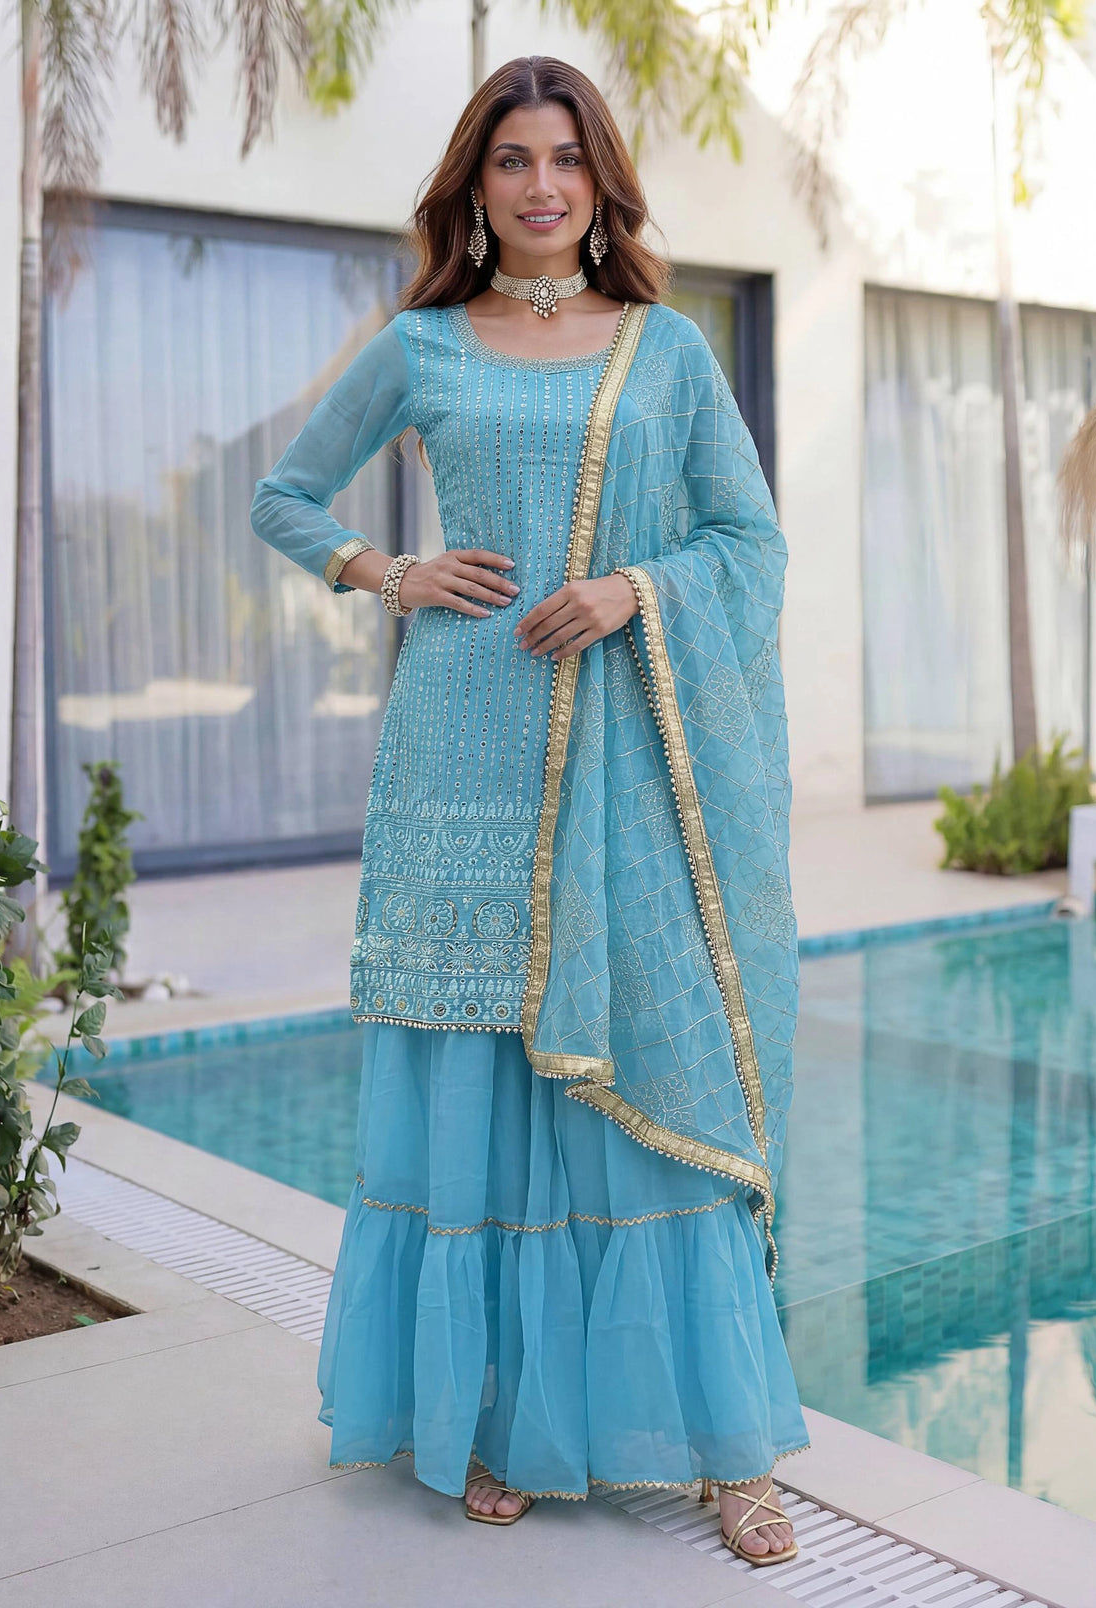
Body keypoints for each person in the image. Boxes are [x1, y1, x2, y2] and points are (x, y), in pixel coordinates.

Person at [250, 54, 809, 1565]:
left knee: (650, 1068)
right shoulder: (423, 346)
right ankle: (482, 1414)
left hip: (634, 758)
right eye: (513, 160)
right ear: (476, 183)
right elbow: (285, 495)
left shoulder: (670, 351)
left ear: (601, 180)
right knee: (477, 1088)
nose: (543, 184)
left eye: (566, 158)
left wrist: (640, 587)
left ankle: (729, 1444)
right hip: (461, 754)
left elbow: (748, 544)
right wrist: (390, 574)